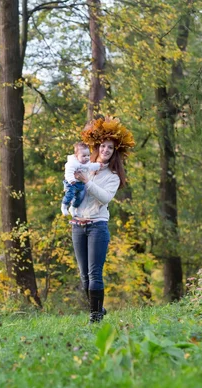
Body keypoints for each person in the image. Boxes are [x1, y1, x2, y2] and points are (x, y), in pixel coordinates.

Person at [71, 115, 135, 323]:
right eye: (103, 146)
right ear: (97, 147)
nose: (106, 150)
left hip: (97, 226)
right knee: (84, 278)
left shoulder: (113, 176)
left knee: (95, 274)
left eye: (110, 148)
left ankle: (95, 317)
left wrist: (87, 182)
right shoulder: (83, 165)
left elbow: (105, 197)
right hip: (78, 226)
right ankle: (99, 307)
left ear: (114, 152)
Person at [61, 142, 103, 217]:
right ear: (76, 156)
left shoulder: (87, 163)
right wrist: (71, 180)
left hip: (80, 183)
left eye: (88, 155)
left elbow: (91, 166)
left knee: (80, 196)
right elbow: (68, 172)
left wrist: (98, 165)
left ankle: (73, 208)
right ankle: (64, 207)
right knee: (70, 195)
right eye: (84, 156)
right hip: (71, 183)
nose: (86, 157)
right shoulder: (72, 163)